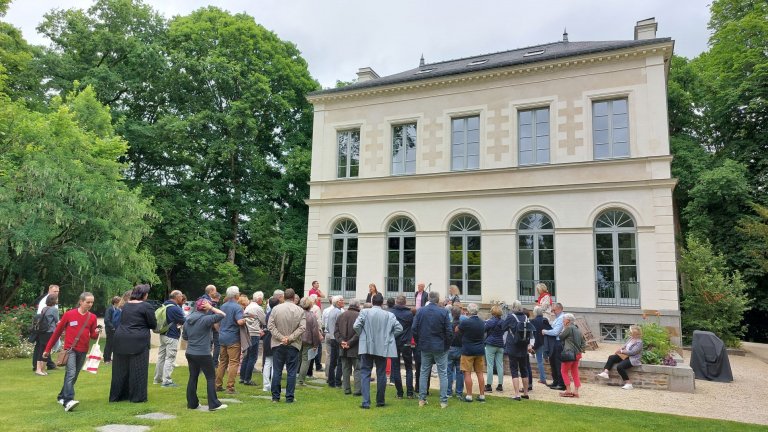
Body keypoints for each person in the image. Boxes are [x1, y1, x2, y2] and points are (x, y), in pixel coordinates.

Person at [42, 292, 100, 412]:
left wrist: (97, 332)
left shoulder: (92, 317)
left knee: (74, 376)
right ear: (81, 301)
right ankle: (68, 401)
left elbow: (93, 336)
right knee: (71, 373)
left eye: (92, 302)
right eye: (88, 302)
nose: (90, 304)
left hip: (83, 350)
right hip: (70, 350)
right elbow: (57, 332)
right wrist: (47, 349)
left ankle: (61, 397)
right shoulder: (69, 314)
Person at [353, 292, 402, 409]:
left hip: (367, 346)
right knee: (381, 374)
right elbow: (399, 328)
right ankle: (380, 401)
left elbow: (356, 326)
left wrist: (363, 336)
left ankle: (366, 402)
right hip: (382, 347)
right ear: (382, 302)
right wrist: (389, 337)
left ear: (372, 301)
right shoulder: (388, 315)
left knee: (365, 373)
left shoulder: (365, 312)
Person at [110, 284, 157, 403]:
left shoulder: (124, 306)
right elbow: (153, 324)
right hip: (138, 339)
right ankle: (137, 396)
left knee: (120, 370)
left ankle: (118, 395)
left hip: (121, 338)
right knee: (138, 369)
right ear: (144, 294)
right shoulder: (146, 306)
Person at [183, 298, 228, 411]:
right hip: (203, 353)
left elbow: (185, 337)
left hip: (190, 352)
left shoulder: (188, 319)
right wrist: (211, 307)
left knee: (193, 377)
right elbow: (223, 315)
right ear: (205, 308)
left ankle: (192, 404)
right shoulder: (206, 319)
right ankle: (214, 404)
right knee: (211, 377)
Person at [413, 290, 452, 408]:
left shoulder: (421, 311)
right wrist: (447, 345)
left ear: (429, 298)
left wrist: (419, 341)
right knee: (442, 373)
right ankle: (443, 401)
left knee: (424, 372)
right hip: (439, 346)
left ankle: (422, 399)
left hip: (427, 345)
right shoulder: (443, 312)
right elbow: (449, 331)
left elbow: (414, 329)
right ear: (438, 299)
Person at [267, 288, 306, 403]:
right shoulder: (299, 310)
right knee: (291, 371)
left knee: (277, 370)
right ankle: (289, 397)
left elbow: (270, 326)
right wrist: (289, 338)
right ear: (294, 298)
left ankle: (275, 397)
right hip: (293, 344)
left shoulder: (276, 309)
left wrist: (282, 338)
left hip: (278, 343)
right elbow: (302, 327)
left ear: (283, 297)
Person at [215, 286, 246, 394]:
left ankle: (217, 385)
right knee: (234, 362)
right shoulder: (238, 307)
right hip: (233, 338)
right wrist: (246, 319)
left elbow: (216, 323)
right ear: (236, 295)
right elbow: (240, 322)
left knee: (222, 362)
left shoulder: (223, 306)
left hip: (222, 337)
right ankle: (230, 387)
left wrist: (220, 331)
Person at [503, 300, 536, 401]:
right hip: (523, 347)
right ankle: (525, 393)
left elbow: (503, 327)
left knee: (514, 370)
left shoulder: (510, 317)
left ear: (513, 308)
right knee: (524, 369)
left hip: (513, 346)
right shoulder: (526, 317)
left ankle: (517, 394)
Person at [154, 290, 186, 387]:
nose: (182, 298)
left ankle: (157, 379)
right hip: (171, 335)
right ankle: (167, 381)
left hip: (163, 334)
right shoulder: (175, 308)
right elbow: (184, 320)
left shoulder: (164, 305)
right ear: (176, 296)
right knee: (170, 358)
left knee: (161, 357)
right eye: (181, 296)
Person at [597, 325, 643, 390]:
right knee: (611, 357)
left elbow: (633, 352)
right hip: (625, 355)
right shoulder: (631, 339)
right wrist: (620, 349)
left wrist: (621, 351)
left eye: (630, 332)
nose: (629, 332)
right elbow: (625, 346)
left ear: (634, 333)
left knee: (620, 366)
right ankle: (606, 372)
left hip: (633, 358)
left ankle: (629, 383)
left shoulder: (639, 342)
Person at [457, 303, 486, 402]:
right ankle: (482, 395)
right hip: (479, 350)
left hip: (467, 350)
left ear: (468, 311)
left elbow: (457, 330)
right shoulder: (482, 322)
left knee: (467, 373)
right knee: (480, 373)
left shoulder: (466, 322)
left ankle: (469, 395)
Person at [335, 298, 362, 396]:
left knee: (345, 369)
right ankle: (357, 390)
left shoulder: (341, 315)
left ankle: (346, 389)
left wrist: (342, 342)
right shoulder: (359, 316)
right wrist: (348, 343)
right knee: (357, 369)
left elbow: (336, 332)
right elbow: (359, 332)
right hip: (355, 348)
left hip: (344, 347)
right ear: (358, 305)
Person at [390, 295, 415, 399]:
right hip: (406, 342)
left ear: (396, 302)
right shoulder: (409, 314)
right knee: (408, 367)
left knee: (396, 368)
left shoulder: (391, 313)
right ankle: (409, 393)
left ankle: (400, 393)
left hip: (395, 342)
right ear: (405, 302)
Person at [241, 291, 266, 386]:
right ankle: (247, 379)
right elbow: (264, 320)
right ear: (259, 299)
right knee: (253, 357)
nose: (262, 301)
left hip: (246, 333)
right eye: (262, 299)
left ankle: (242, 377)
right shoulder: (258, 308)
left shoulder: (248, 306)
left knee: (246, 356)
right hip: (254, 333)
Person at [558, 313, 586, 397]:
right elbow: (583, 343)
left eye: (564, 320)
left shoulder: (569, 328)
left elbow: (561, 337)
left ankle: (568, 390)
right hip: (577, 354)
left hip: (569, 354)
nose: (563, 321)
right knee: (575, 372)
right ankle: (576, 391)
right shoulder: (578, 329)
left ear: (568, 320)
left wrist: (564, 328)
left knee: (564, 371)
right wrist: (580, 350)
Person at [298, 296, 324, 385]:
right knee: (305, 360)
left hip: (297, 339)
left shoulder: (297, 314)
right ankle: (301, 380)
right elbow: (315, 331)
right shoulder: (312, 315)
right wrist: (316, 344)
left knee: (298, 359)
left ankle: (295, 377)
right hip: (308, 340)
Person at [34, 284, 60, 371]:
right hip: (46, 329)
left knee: (42, 348)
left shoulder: (46, 305)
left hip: (42, 329)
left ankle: (45, 366)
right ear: (49, 291)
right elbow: (55, 320)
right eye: (54, 291)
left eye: (57, 291)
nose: (56, 293)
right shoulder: (50, 305)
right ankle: (39, 367)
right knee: (43, 348)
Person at [542, 302, 566, 390]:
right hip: (554, 342)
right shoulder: (557, 318)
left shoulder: (561, 318)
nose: (553, 312)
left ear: (559, 309)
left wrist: (545, 331)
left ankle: (561, 384)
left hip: (558, 343)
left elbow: (556, 332)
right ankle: (555, 381)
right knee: (553, 363)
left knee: (557, 363)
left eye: (554, 310)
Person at [323, 295, 344, 388]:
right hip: (337, 338)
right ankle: (337, 381)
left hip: (331, 337)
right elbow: (340, 327)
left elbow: (327, 326)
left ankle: (331, 381)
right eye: (341, 300)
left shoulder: (331, 311)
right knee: (339, 361)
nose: (343, 302)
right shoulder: (339, 312)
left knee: (332, 360)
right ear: (337, 302)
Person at [484, 305, 505, 393]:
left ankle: (489, 386)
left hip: (491, 344)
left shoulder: (490, 321)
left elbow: (484, 329)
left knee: (490, 365)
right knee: (500, 365)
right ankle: (500, 385)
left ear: (492, 312)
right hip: (500, 344)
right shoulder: (503, 322)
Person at [261, 296, 280, 393]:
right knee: (273, 363)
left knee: (268, 362)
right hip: (273, 338)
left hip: (267, 338)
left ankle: (266, 385)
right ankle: (271, 384)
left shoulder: (268, 314)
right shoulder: (276, 314)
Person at [446, 305, 464, 399]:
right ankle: (459, 392)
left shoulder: (449, 325)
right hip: (460, 348)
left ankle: (449, 392)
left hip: (451, 348)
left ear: (452, 314)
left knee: (449, 371)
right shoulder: (463, 325)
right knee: (460, 372)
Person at [530, 306, 550, 385]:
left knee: (539, 361)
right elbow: (549, 330)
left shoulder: (533, 321)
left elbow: (532, 334)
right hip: (545, 343)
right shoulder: (545, 320)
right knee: (542, 361)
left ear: (535, 312)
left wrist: (533, 346)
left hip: (537, 343)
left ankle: (543, 378)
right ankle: (543, 378)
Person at [103, 296, 121, 364]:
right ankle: (106, 359)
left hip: (115, 329)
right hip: (110, 329)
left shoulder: (117, 309)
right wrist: (112, 327)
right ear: (115, 302)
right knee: (109, 344)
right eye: (119, 302)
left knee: (113, 344)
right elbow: (106, 320)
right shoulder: (110, 309)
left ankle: (109, 358)